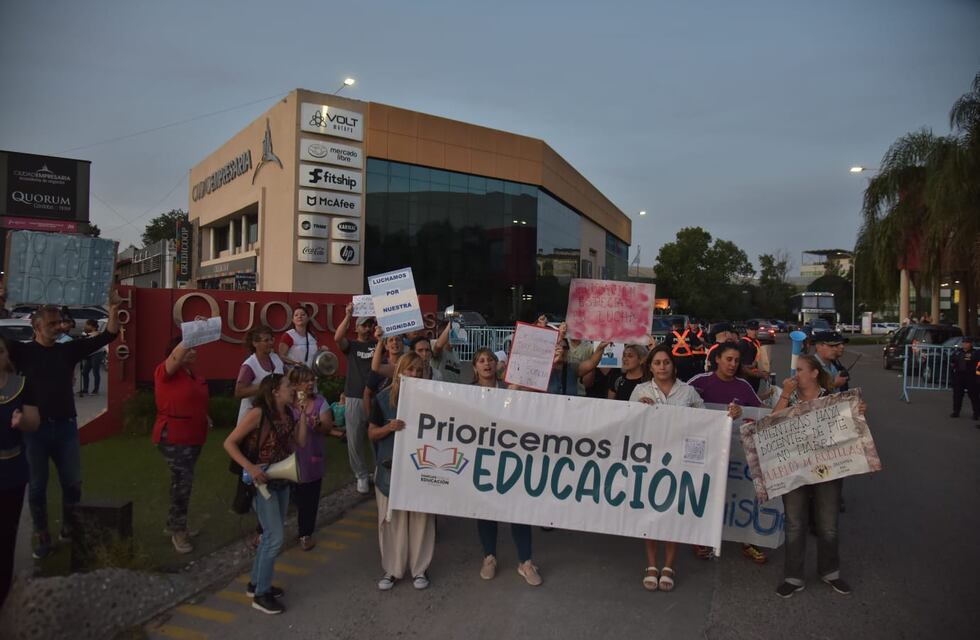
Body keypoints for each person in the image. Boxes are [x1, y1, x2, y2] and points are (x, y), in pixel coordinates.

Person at [9, 296, 121, 559]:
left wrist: (114, 311)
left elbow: (108, 336)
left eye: (60, 322)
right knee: (37, 487)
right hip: (35, 431)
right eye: (52, 323)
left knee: (72, 484)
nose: (59, 326)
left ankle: (70, 527)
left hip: (66, 428)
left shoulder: (67, 350)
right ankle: (42, 534)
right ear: (36, 326)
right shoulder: (23, 351)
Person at [772, 355, 865, 598]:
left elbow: (847, 429)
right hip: (794, 470)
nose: (796, 375)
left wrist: (856, 413)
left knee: (828, 525)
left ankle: (830, 571)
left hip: (827, 470)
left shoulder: (830, 399)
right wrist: (784, 394)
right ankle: (793, 576)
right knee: (795, 524)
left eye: (801, 370)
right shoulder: (789, 397)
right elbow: (771, 426)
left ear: (814, 373)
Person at [224, 374, 307, 615]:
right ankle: (261, 595)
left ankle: (256, 583)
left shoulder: (289, 414)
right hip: (262, 482)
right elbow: (229, 443)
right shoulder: (258, 414)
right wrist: (249, 468)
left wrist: (301, 415)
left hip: (281, 479)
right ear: (274, 391)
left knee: (270, 534)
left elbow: (300, 441)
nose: (292, 389)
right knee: (274, 537)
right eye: (287, 386)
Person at [629, 345, 704, 592]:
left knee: (673, 510)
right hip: (649, 459)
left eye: (666, 362)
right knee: (651, 511)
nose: (662, 367)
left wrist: (729, 416)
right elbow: (628, 422)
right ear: (649, 366)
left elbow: (705, 423)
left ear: (673, 365)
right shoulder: (640, 390)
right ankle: (651, 564)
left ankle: (669, 565)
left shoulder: (688, 392)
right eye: (657, 363)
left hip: (679, 459)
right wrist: (640, 409)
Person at [689, 341, 767, 563]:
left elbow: (760, 413)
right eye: (728, 359)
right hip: (706, 451)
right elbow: (682, 406)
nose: (733, 364)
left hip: (736, 453)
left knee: (740, 493)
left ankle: (746, 539)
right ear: (717, 360)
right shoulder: (699, 382)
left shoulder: (743, 386)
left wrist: (745, 412)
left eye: (736, 360)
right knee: (704, 492)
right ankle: (700, 538)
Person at [471, 348, 541, 586]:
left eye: (490, 359)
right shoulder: (465, 394)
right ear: (475, 367)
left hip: (511, 457)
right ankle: (489, 557)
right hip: (482, 458)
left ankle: (526, 561)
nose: (487, 364)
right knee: (485, 509)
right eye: (481, 360)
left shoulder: (510, 390)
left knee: (518, 509)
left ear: (498, 365)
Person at [368, 353, 436, 591]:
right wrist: (389, 427)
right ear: (400, 371)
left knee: (420, 520)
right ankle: (392, 569)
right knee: (391, 521)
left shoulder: (432, 400)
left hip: (419, 468)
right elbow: (372, 433)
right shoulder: (383, 398)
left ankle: (420, 569)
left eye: (418, 370)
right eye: (410, 370)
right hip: (390, 470)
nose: (414, 374)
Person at [153, 335, 210, 554]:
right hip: (174, 437)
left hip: (193, 436)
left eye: (194, 347)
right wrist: (193, 332)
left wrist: (205, 416)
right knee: (182, 482)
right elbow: (175, 357)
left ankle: (175, 523)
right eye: (190, 347)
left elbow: (195, 400)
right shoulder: (165, 372)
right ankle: (178, 530)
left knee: (181, 481)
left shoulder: (192, 375)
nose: (194, 351)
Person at [0, 335, 40, 608]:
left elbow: (34, 422)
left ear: (6, 356)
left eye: (0, 351)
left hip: (11, 473)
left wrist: (22, 420)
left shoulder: (21, 385)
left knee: (5, 538)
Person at [286, 366, 334, 551]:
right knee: (292, 495)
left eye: (312, 380)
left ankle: (305, 533)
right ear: (295, 384)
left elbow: (328, 427)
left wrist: (318, 424)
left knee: (310, 499)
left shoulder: (320, 402)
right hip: (289, 458)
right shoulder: (287, 404)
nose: (311, 384)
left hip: (311, 457)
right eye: (306, 381)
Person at [334, 305, 377, 495]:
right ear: (357, 328)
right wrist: (348, 316)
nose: (367, 329)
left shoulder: (378, 344)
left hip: (376, 397)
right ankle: (361, 475)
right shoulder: (351, 346)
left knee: (378, 435)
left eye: (370, 325)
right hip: (354, 396)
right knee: (355, 438)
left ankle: (379, 470)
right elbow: (337, 338)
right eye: (364, 326)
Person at [235, 327, 285, 425]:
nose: (270, 343)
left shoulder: (276, 358)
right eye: (266, 340)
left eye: (271, 339)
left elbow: (286, 378)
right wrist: (265, 385)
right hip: (251, 418)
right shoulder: (249, 365)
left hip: (271, 416)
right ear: (255, 343)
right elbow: (239, 392)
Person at [950, 337, 979, 421]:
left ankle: (976, 413)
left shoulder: (975, 353)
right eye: (964, 343)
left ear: (970, 344)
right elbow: (953, 361)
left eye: (967, 343)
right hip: (959, 375)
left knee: (973, 395)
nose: (965, 344)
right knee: (957, 395)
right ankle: (956, 411)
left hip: (971, 376)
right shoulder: (958, 352)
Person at [738, 320, 769, 393]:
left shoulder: (755, 341)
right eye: (752, 329)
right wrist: (751, 365)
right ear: (747, 330)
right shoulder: (743, 343)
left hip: (755, 375)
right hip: (746, 376)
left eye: (756, 329)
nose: (754, 332)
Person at [78, 319, 105, 397]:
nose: (85, 326)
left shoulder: (96, 334)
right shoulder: (86, 333)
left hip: (97, 354)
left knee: (95, 372)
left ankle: (96, 389)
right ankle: (85, 389)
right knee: (85, 372)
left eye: (87, 325)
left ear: (91, 326)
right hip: (90, 355)